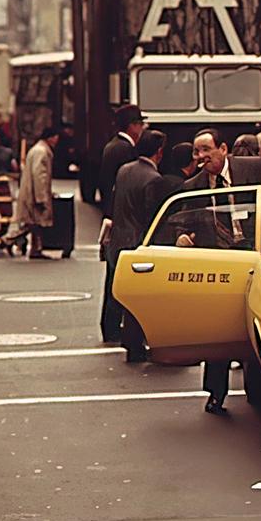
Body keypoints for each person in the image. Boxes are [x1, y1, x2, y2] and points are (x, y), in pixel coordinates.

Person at [182, 127, 261, 415]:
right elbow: (187, 223)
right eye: (197, 151)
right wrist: (184, 237)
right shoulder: (193, 186)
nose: (201, 156)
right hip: (217, 261)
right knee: (218, 329)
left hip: (251, 254)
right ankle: (216, 393)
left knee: (256, 321)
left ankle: (259, 388)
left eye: (206, 149)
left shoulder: (252, 169)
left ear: (223, 149)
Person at [109, 130, 170, 363]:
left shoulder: (124, 170)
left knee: (122, 295)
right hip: (136, 242)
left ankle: (125, 336)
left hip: (118, 239)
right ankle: (135, 344)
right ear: (159, 151)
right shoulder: (152, 178)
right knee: (139, 298)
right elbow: (150, 216)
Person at [99, 104, 145, 343]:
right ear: (133, 126)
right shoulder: (126, 150)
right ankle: (114, 325)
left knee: (112, 274)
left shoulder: (111, 146)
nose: (143, 127)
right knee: (118, 276)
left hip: (113, 217)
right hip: (123, 220)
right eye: (140, 123)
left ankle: (109, 324)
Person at [15, 127, 59, 260]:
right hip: (34, 193)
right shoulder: (42, 152)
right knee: (33, 223)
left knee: (34, 224)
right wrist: (42, 197)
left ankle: (36, 249)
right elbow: (40, 176)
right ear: (51, 137)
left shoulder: (38, 149)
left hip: (32, 191)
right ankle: (6, 241)